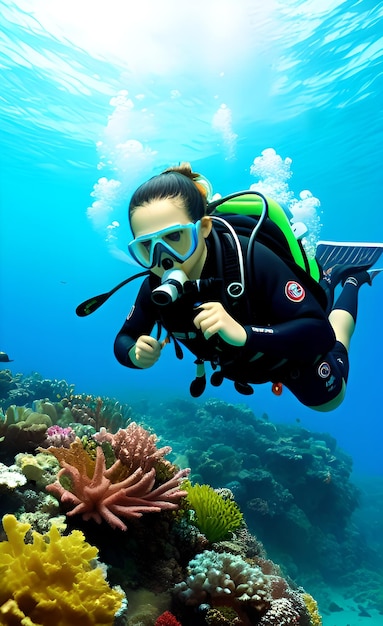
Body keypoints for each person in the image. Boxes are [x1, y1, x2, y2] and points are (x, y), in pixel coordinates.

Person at [114, 163, 381, 412]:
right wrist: (135, 355)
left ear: (204, 228)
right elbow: (124, 338)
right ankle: (331, 274)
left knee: (329, 401)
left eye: (174, 237)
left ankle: (349, 280)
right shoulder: (155, 285)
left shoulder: (250, 259)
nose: (163, 257)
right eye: (147, 246)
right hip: (241, 364)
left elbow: (320, 332)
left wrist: (244, 334)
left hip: (287, 354)